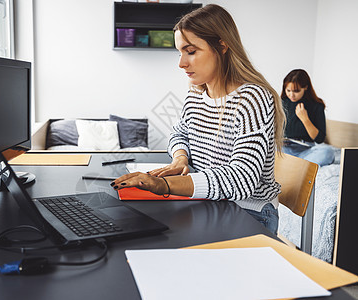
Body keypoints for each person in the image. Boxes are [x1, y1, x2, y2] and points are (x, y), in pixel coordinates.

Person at [110, 4, 285, 235]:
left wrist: (165, 185)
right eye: (180, 52)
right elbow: (179, 133)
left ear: (222, 45)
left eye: (191, 51)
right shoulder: (197, 94)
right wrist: (180, 159)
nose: (181, 63)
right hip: (211, 204)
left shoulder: (253, 98)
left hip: (248, 212)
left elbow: (242, 179)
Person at [281, 69, 335, 166]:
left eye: (296, 91)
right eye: (288, 90)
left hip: (306, 150)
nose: (291, 95)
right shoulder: (282, 102)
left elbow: (319, 139)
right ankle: (298, 165)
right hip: (285, 149)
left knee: (328, 152)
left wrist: (304, 118)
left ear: (305, 87)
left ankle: (293, 165)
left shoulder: (316, 105)